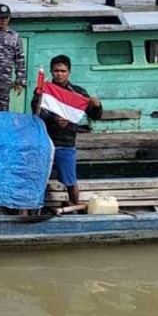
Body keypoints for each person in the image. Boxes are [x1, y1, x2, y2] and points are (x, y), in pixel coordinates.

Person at [31, 55, 103, 206]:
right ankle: (35, 207)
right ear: (51, 71)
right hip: (45, 142)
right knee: (39, 178)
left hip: (66, 142)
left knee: (70, 181)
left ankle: (74, 209)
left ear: (69, 72)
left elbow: (94, 116)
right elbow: (36, 111)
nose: (59, 74)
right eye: (56, 71)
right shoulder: (43, 90)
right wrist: (53, 119)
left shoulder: (78, 92)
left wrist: (97, 106)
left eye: (63, 71)